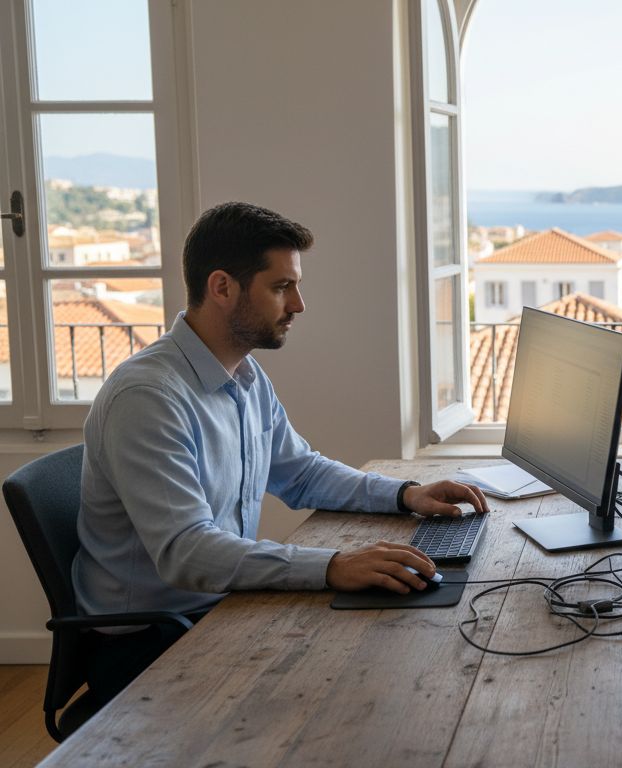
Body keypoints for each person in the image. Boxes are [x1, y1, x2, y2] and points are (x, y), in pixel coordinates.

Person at [73, 201, 488, 705]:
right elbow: (187, 552)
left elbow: (301, 473)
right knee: (353, 688)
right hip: (151, 642)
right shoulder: (148, 399)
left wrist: (407, 494)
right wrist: (333, 565)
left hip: (218, 607)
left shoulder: (243, 374)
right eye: (280, 287)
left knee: (392, 654)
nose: (298, 305)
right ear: (222, 287)